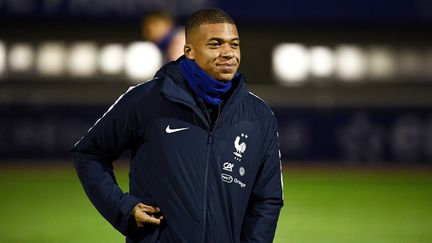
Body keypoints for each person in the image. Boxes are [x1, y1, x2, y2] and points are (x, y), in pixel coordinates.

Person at [73, 8, 283, 243]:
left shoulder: (259, 115)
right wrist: (123, 208)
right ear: (189, 51)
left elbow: (268, 199)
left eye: (234, 45)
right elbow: (89, 153)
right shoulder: (146, 99)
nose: (228, 53)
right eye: (215, 44)